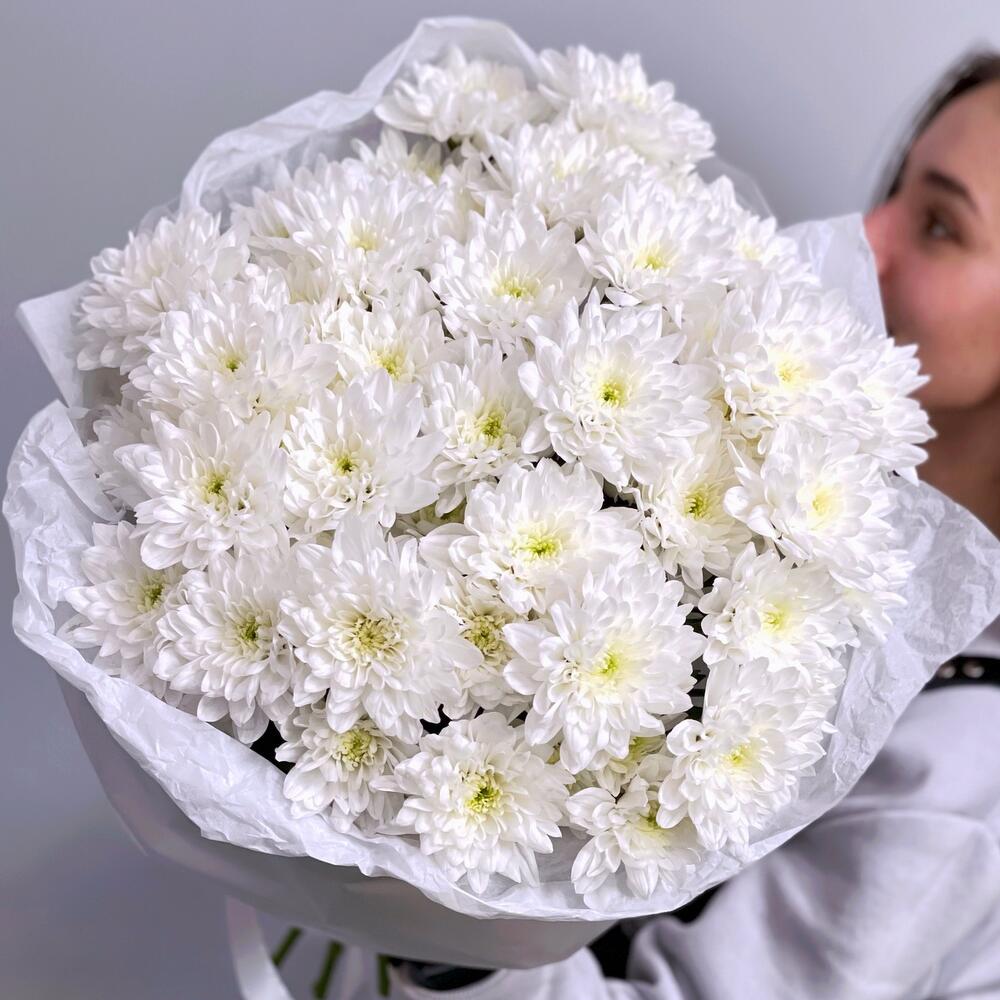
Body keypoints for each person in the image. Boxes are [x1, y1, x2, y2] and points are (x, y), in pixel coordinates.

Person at [385, 51, 1000, 1000]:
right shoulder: (743, 490)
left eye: (939, 224)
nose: (862, 236)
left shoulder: (971, 765)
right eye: (897, 188)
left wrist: (436, 927)